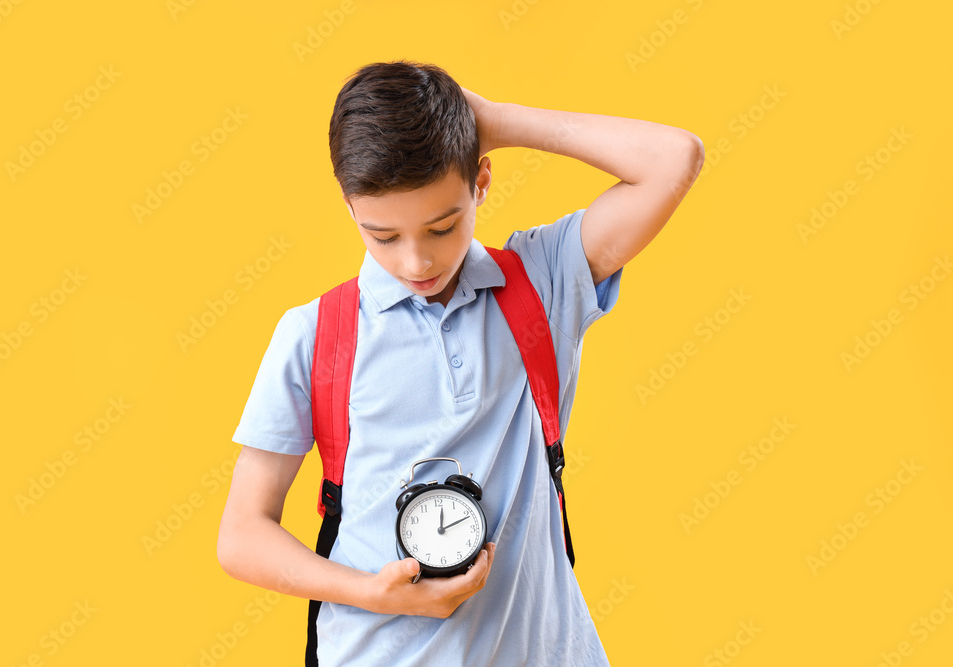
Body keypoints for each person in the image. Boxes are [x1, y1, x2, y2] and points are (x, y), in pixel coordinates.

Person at [217, 59, 703, 666]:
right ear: (349, 207)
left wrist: (494, 121)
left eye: (442, 227)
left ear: (481, 182)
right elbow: (241, 536)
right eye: (383, 236)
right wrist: (372, 593)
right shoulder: (316, 335)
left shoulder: (542, 283)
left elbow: (674, 159)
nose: (416, 262)